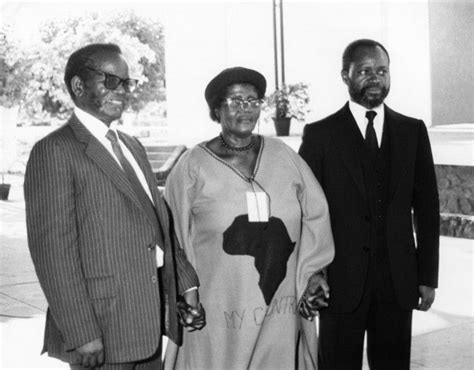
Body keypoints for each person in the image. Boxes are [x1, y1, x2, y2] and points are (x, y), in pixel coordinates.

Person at [24, 43, 205, 369]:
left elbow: (158, 223)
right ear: (78, 86)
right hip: (101, 332)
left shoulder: (131, 146)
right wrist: (80, 332)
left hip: (145, 326)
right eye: (110, 81)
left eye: (126, 83)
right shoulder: (55, 150)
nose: (122, 91)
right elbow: (54, 254)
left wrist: (186, 282)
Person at [164, 66, 335, 369]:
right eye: (235, 101)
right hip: (219, 311)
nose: (245, 108)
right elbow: (172, 235)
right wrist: (183, 293)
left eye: (253, 101)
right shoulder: (192, 166)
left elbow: (316, 217)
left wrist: (314, 275)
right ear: (216, 109)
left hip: (278, 310)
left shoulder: (284, 156)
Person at [299, 39, 440, 370]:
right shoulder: (320, 135)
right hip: (339, 282)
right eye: (364, 71)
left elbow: (428, 209)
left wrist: (428, 276)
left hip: (399, 281)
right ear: (345, 76)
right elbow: (304, 210)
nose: (375, 77)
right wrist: (310, 273)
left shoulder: (412, 131)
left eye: (382, 70)